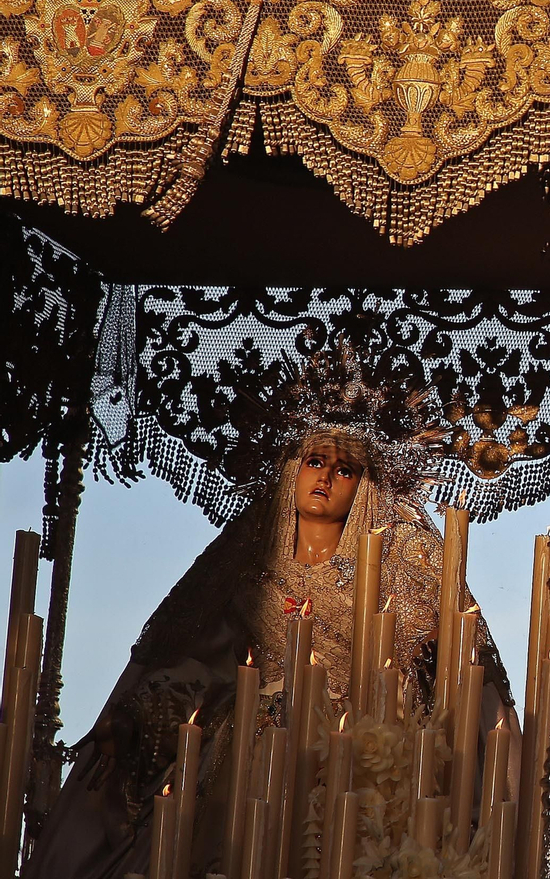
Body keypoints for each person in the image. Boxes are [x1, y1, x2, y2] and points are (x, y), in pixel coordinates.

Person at [24, 345, 517, 878]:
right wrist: (142, 715)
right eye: (315, 461)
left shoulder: (401, 571)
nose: (325, 478)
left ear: (365, 487)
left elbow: (457, 678)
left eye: (344, 468)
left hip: (353, 766)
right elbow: (193, 666)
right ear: (292, 471)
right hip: (247, 765)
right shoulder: (246, 572)